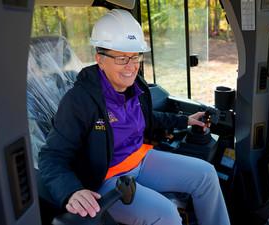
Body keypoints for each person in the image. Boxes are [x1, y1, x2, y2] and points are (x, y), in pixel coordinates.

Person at [39, 8, 230, 225]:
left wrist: (184, 120)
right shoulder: (79, 101)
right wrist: (72, 191)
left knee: (206, 174)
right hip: (108, 180)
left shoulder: (136, 87)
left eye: (135, 56)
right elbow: (51, 157)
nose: (131, 66)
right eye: (121, 58)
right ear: (100, 59)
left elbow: (147, 118)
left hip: (142, 160)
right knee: (167, 214)